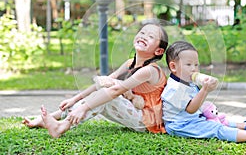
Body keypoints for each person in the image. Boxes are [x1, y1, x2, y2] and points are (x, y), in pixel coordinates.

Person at [23, 21, 168, 138]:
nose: (143, 36)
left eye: (150, 36)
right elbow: (103, 82)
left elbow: (116, 90)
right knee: (106, 87)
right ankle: (52, 118)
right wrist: (74, 99)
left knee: (109, 93)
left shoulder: (150, 70)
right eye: (142, 32)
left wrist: (83, 108)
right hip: (135, 113)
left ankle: (62, 126)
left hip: (147, 122)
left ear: (158, 51)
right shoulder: (130, 63)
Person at [161, 41, 246, 145]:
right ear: (173, 67)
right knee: (215, 128)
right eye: (189, 65)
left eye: (196, 65)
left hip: (193, 119)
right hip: (180, 125)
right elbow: (191, 109)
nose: (194, 69)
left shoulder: (187, 82)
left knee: (219, 119)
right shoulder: (174, 89)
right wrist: (205, 90)